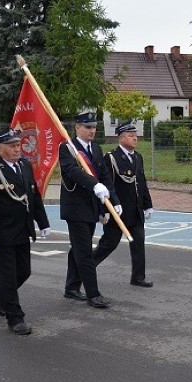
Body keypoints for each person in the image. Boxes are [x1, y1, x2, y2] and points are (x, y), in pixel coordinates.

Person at [0, 129, 50, 335]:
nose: (17, 149)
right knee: (9, 278)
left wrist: (42, 223)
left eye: (18, 145)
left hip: (22, 230)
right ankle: (15, 317)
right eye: (12, 146)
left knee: (24, 272)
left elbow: (34, 197)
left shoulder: (25, 166)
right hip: (2, 234)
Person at [60, 111, 118, 309]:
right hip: (75, 208)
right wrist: (94, 184)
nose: (92, 130)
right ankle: (93, 294)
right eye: (87, 127)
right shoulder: (67, 147)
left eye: (94, 127)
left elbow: (105, 174)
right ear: (77, 128)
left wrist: (113, 199)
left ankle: (71, 287)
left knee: (77, 249)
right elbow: (72, 171)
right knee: (84, 251)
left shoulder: (95, 147)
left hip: (92, 207)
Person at [93, 121, 155, 287]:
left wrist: (147, 204)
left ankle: (138, 277)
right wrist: (106, 209)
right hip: (118, 212)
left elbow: (141, 182)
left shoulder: (138, 157)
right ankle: (86, 268)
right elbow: (106, 185)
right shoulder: (111, 158)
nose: (135, 138)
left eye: (135, 135)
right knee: (108, 244)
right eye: (130, 135)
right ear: (120, 138)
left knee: (138, 243)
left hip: (135, 211)